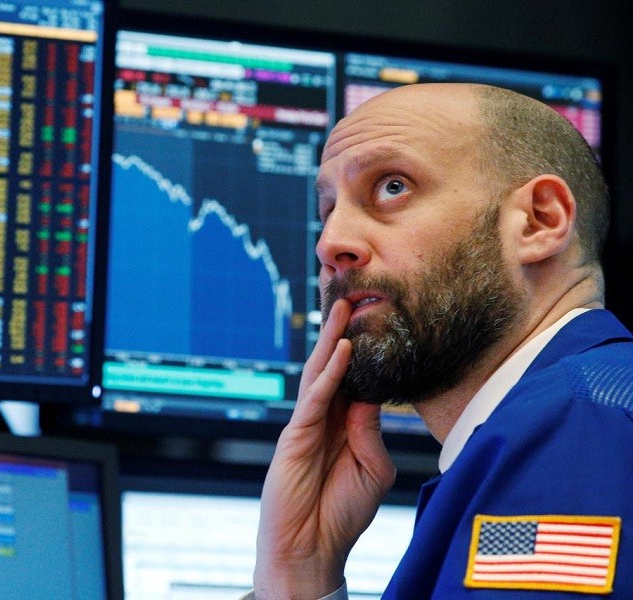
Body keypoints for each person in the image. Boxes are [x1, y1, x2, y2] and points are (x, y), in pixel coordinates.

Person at [248, 83, 633, 599]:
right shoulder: (564, 420)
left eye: (391, 187)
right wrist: (297, 574)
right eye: (329, 210)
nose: (330, 243)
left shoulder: (575, 432)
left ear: (540, 220)